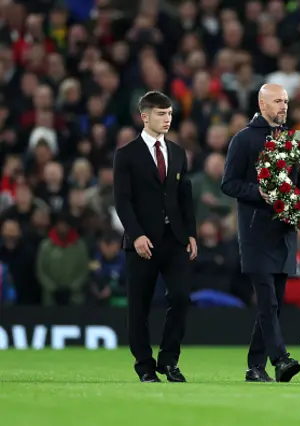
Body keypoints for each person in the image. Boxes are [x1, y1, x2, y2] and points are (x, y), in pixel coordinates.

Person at [221, 83, 300, 383]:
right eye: (277, 101)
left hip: (284, 232)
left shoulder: (293, 139)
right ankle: (281, 359)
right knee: (268, 302)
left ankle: (254, 367)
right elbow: (228, 183)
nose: (284, 106)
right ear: (261, 103)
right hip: (256, 232)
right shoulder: (243, 139)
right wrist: (260, 192)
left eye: (286, 101)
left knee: (275, 304)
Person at [113, 91, 197, 383]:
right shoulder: (126, 155)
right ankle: (145, 365)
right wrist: (135, 235)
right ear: (144, 116)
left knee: (181, 297)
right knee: (139, 306)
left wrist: (191, 233)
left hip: (174, 239)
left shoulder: (176, 152)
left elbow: (184, 196)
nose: (167, 119)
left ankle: (169, 360)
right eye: (161, 114)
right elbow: (122, 201)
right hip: (142, 243)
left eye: (170, 113)